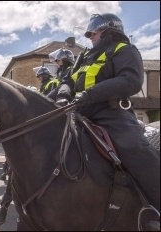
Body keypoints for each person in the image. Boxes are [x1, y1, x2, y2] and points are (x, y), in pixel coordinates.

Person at [56, 13, 160, 215]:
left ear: (109, 32)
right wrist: (62, 97)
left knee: (136, 148)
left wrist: (91, 94)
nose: (90, 36)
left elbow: (131, 80)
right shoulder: (84, 56)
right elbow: (67, 81)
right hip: (77, 110)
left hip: (108, 113)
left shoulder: (125, 50)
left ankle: (155, 208)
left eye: (94, 32)